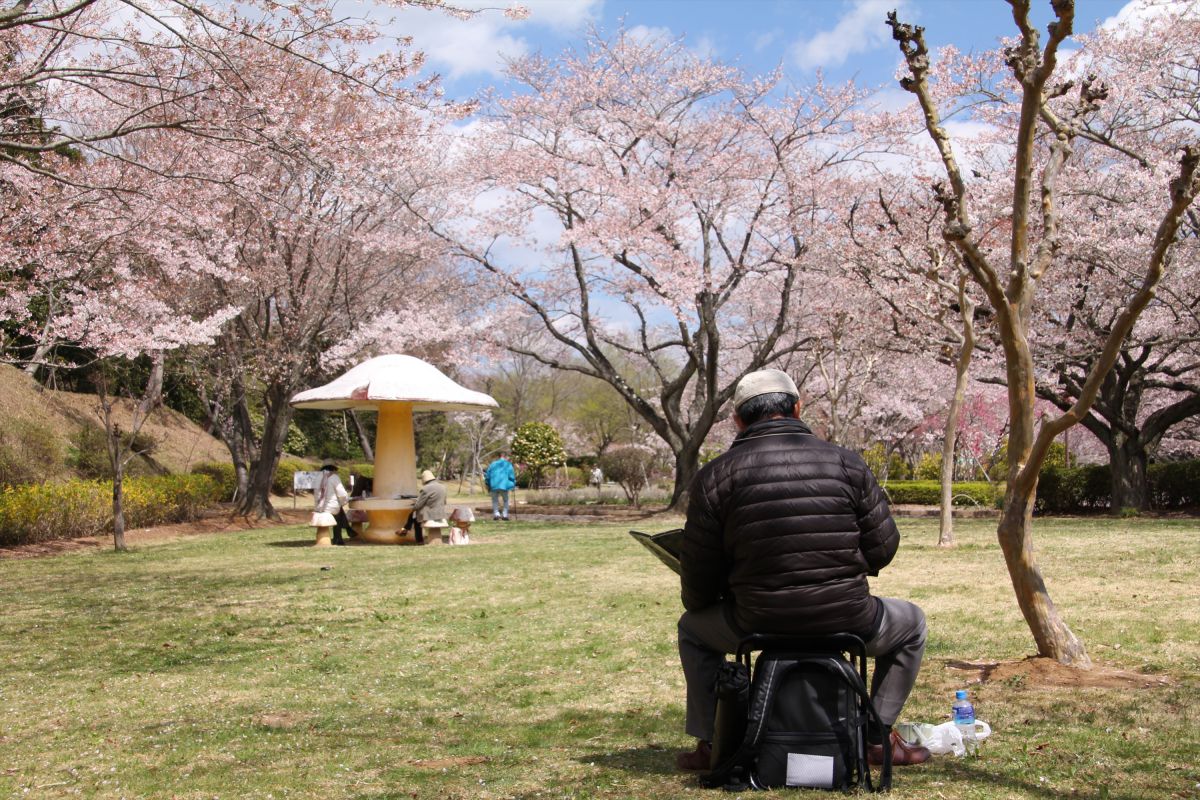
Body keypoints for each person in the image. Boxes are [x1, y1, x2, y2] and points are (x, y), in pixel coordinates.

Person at [675, 369, 930, 772]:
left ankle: (714, 743)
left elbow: (700, 577)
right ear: (797, 407)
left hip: (754, 620)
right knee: (912, 625)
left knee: (692, 628)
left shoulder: (715, 476)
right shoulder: (847, 463)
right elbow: (883, 549)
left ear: (738, 420)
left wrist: (713, 597)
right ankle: (877, 737)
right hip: (847, 615)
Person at [311, 461, 350, 546]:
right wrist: (343, 503)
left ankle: (349, 530)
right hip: (331, 508)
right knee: (339, 512)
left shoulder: (317, 477)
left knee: (339, 509)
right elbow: (342, 494)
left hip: (318, 507)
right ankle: (338, 537)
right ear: (333, 469)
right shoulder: (334, 477)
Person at [405, 469, 448, 544]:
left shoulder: (426, 489)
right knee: (413, 515)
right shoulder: (443, 487)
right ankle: (405, 529)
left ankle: (419, 541)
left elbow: (418, 505)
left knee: (414, 518)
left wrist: (413, 507)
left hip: (430, 515)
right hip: (441, 513)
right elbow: (444, 502)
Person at [485, 452, 516, 521]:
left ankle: (496, 514)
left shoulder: (493, 464)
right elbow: (511, 476)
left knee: (495, 500)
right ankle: (505, 515)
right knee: (506, 500)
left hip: (494, 485)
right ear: (505, 456)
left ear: (499, 456)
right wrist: (513, 483)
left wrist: (487, 484)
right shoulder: (508, 464)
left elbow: (487, 475)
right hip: (504, 485)